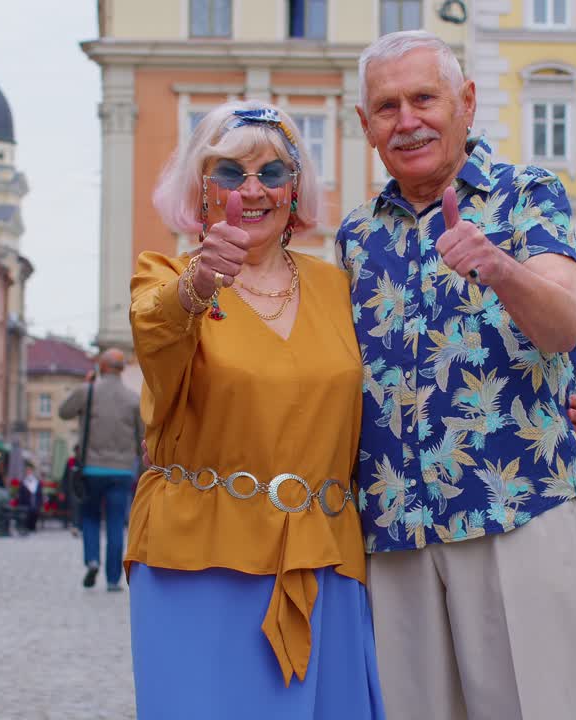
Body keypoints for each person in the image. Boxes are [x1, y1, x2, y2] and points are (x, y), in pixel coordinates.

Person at [334, 31, 576, 719]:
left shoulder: (526, 194)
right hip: (395, 523)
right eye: (387, 106)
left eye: (424, 97)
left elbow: (563, 324)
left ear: (466, 102)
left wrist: (497, 265)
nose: (408, 120)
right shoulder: (356, 237)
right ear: (365, 126)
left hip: (515, 504)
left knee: (537, 705)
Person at [128, 101, 384, 719]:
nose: (252, 189)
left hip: (322, 561)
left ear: (295, 190)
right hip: (199, 564)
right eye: (228, 173)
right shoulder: (166, 278)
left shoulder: (338, 287)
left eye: (272, 173)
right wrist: (198, 286)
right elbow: (156, 333)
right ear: (201, 188)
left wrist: (550, 395)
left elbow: (402, 377)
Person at [58, 349, 142, 591]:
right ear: (122, 369)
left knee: (91, 517)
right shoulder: (133, 399)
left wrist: (85, 385)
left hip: (92, 469)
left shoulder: (88, 392)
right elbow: (142, 438)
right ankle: (114, 579)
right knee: (116, 523)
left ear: (101, 367)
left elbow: (63, 412)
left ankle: (92, 560)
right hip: (122, 471)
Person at [17, 460, 42, 533]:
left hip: (35, 505)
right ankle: (28, 527)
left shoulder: (36, 482)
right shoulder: (23, 482)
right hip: (26, 505)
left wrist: (39, 503)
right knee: (27, 514)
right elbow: (21, 495)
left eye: (30, 470)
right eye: (27, 470)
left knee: (34, 514)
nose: (28, 472)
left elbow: (39, 495)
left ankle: (32, 527)